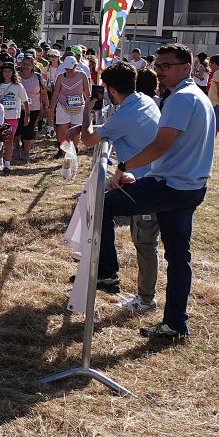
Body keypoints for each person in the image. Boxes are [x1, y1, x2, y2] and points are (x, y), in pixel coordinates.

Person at [102, 44, 215, 340]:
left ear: (186, 68)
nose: (159, 70)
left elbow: (160, 146)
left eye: (166, 65)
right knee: (179, 258)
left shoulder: (181, 99)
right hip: (189, 186)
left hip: (171, 186)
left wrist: (124, 167)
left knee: (100, 205)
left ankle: (106, 274)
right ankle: (175, 324)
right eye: (157, 64)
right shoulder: (195, 96)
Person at [71, 62, 161, 307]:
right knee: (100, 207)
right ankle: (104, 270)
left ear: (110, 89)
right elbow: (117, 130)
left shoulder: (124, 114)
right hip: (149, 177)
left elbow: (88, 141)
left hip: (151, 183)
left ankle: (139, 294)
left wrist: (86, 114)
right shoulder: (144, 100)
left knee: (143, 241)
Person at [49, 55, 90, 158]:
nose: (68, 71)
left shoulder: (82, 75)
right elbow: (55, 95)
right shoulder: (61, 77)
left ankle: (73, 152)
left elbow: (87, 93)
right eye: (67, 69)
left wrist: (89, 108)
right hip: (63, 106)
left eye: (70, 69)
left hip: (78, 106)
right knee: (63, 131)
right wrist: (51, 110)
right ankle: (64, 155)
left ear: (75, 66)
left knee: (76, 131)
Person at [0, 62, 28, 174]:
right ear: (1, 72)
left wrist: (27, 115)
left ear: (13, 72)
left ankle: (7, 164)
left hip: (13, 117)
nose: (7, 73)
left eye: (9, 71)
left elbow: (25, 101)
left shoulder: (18, 86)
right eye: (5, 71)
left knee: (9, 140)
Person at [17, 56, 48, 163]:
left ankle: (26, 152)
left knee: (29, 130)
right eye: (23, 64)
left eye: (28, 64)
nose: (25, 66)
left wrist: (47, 107)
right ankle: (16, 150)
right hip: (17, 108)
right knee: (17, 131)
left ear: (33, 66)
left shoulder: (38, 77)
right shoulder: (16, 76)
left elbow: (43, 93)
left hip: (34, 108)